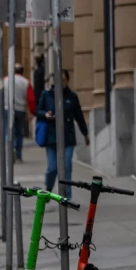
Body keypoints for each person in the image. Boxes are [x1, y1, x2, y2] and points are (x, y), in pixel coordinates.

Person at [36, 69, 90, 198]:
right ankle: (48, 188)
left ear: (67, 81)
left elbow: (79, 116)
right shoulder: (47, 94)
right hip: (51, 137)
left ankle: (67, 197)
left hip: (67, 137)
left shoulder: (72, 97)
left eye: (64, 80)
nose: (61, 83)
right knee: (52, 168)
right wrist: (45, 114)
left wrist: (85, 133)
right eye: (58, 80)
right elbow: (38, 111)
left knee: (66, 166)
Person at [0, 62, 34, 161]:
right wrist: (32, 111)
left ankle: (10, 149)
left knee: (8, 131)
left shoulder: (5, 80)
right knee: (20, 133)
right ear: (22, 72)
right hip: (20, 110)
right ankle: (18, 155)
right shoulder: (26, 82)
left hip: (7, 108)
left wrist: (3, 100)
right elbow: (31, 99)